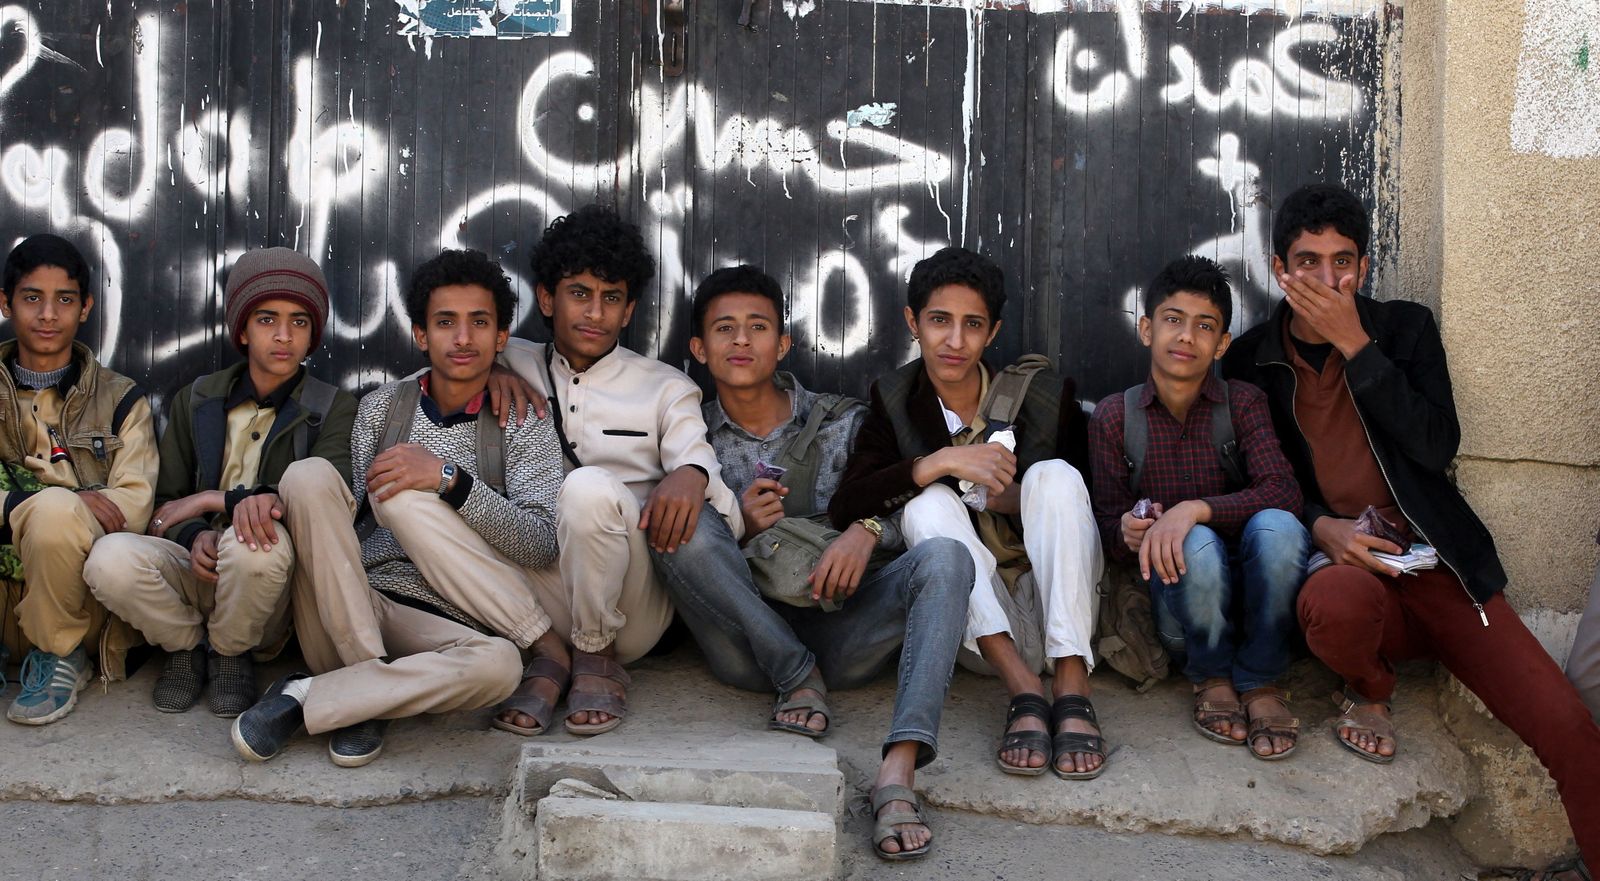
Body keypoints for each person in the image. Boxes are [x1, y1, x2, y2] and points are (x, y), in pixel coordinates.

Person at [1222, 182, 1600, 872]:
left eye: (1343, 261)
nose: (1327, 278)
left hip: (1440, 571)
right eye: (1308, 262)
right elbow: (1256, 484)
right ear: (1280, 270)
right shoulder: (1249, 362)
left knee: (1568, 724)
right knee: (1335, 604)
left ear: (1363, 267)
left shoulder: (1404, 330)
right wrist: (1320, 527)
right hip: (1347, 575)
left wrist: (1358, 347)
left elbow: (1435, 444)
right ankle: (1370, 687)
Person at [654, 264, 972, 860]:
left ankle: (899, 771)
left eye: (758, 327)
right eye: (725, 329)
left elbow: (913, 500)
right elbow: (689, 550)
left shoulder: (844, 421)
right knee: (676, 515)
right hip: (747, 647)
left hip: (846, 629)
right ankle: (796, 674)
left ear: (784, 343)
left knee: (948, 557)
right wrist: (738, 524)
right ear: (698, 348)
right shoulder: (685, 434)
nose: (742, 341)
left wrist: (867, 528)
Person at [229, 248, 559, 767]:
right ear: (421, 335)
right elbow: (340, 518)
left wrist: (452, 482)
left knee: (500, 666)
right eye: (446, 323)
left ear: (501, 338)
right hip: (349, 602)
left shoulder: (523, 418)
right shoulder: (382, 408)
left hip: (446, 620)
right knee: (308, 476)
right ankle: (366, 691)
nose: (464, 339)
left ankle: (315, 696)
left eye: (479, 323)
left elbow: (540, 545)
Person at [830, 246, 1107, 781]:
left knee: (1055, 477)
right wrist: (935, 463)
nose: (955, 342)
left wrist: (1013, 495)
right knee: (926, 503)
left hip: (1063, 610)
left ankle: (1072, 687)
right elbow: (849, 501)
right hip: (981, 632)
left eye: (972, 325)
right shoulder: (894, 399)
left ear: (993, 331)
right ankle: (1024, 691)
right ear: (913, 322)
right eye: (939, 321)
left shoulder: (1043, 396)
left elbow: (1087, 506)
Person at [491, 204, 742, 737]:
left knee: (586, 488)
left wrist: (691, 475)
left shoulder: (666, 386)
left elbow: (728, 518)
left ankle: (597, 656)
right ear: (546, 298)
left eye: (612, 298)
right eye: (579, 293)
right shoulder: (508, 360)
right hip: (535, 594)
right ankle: (552, 654)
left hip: (631, 608)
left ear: (628, 311)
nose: (595, 313)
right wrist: (485, 370)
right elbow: (436, 373)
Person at [84, 249, 357, 718]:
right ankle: (186, 646)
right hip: (195, 567)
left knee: (257, 546)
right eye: (267, 319)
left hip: (265, 585)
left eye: (299, 323)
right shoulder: (198, 399)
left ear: (313, 335)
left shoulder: (332, 408)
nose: (283, 336)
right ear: (243, 330)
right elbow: (168, 505)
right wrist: (195, 535)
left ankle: (231, 653)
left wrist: (216, 500)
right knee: (108, 560)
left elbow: (326, 504)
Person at [1088, 254, 1308, 759]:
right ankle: (1210, 676)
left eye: (1204, 326)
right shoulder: (1113, 418)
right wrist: (1126, 531)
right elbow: (1104, 526)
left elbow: (1284, 492)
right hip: (1181, 612)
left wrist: (1194, 507)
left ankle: (1261, 680)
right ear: (1146, 329)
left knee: (1278, 526)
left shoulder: (1244, 403)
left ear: (1222, 344)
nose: (1186, 337)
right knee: (1194, 541)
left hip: (1258, 606)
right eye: (1173, 321)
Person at [0, 234, 158, 725]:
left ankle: (60, 655)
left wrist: (57, 509)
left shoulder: (121, 400)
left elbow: (133, 504)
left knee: (54, 513)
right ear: (5, 303)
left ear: (85, 307)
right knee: (51, 507)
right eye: (32, 298)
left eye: (64, 300)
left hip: (77, 606)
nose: (48, 315)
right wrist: (58, 502)